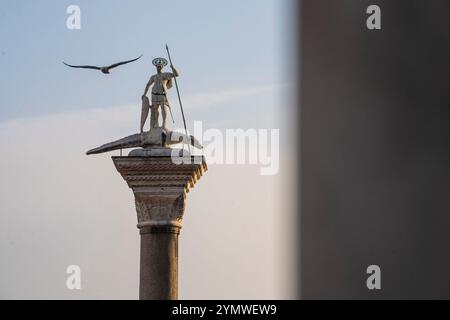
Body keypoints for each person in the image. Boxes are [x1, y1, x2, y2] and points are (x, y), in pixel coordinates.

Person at [140, 57, 179, 132]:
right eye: (158, 66)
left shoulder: (165, 75)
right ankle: (156, 124)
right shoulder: (153, 76)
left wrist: (173, 68)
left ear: (162, 67)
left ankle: (164, 124)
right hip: (154, 94)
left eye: (160, 66)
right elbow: (148, 84)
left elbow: (176, 74)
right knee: (155, 109)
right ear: (156, 67)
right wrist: (144, 94)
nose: (159, 67)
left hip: (162, 94)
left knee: (163, 107)